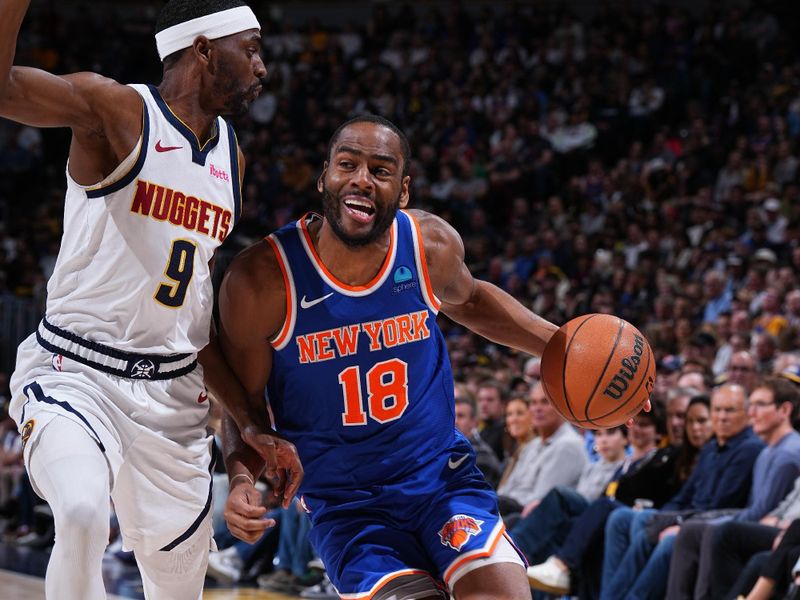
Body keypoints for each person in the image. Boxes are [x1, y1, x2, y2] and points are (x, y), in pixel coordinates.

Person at [217, 114, 635, 599]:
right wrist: (242, 478)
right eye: (347, 164)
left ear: (404, 189)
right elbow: (243, 404)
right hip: (350, 506)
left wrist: (569, 350)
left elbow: (473, 300)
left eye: (380, 169)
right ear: (323, 178)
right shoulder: (263, 280)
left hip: (442, 481)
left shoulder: (427, 246)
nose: (361, 179)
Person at [0, 1, 301, 598]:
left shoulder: (229, 157)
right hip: (77, 372)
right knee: (83, 513)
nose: (263, 67)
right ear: (204, 49)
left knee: (177, 584)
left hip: (172, 395)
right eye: (252, 48)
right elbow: (5, 89)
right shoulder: (116, 109)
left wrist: (246, 423)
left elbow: (193, 316)